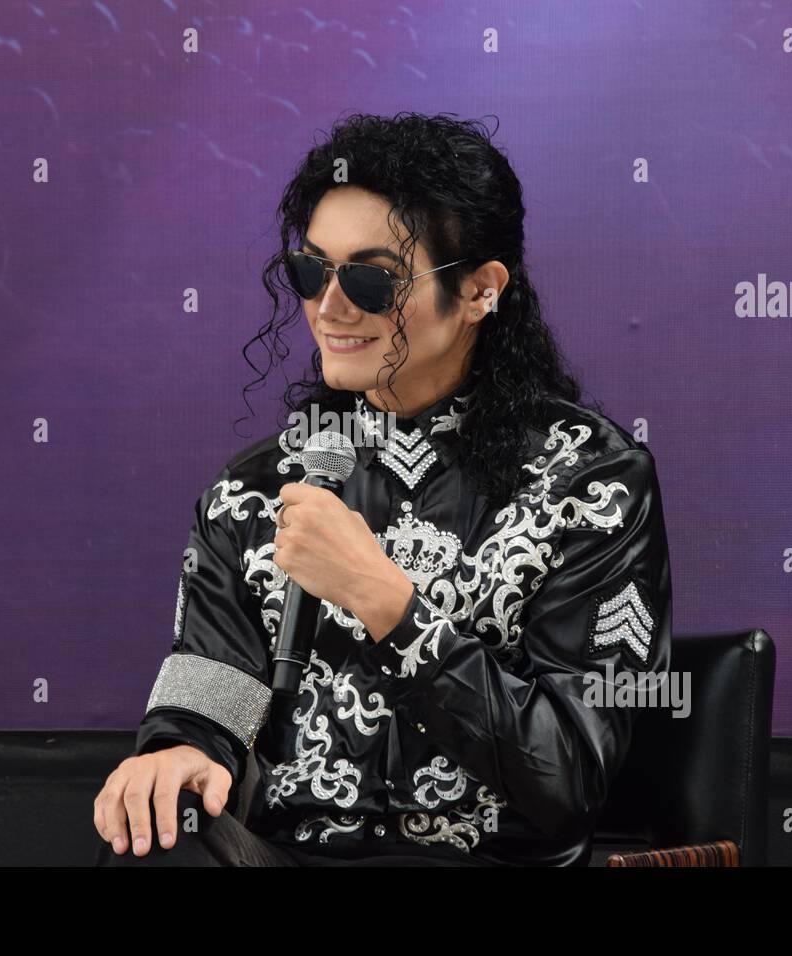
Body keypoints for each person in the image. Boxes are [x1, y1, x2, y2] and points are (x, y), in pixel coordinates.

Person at [93, 111, 672, 867]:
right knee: (153, 839)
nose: (330, 308)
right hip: (291, 856)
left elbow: (568, 773)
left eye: (370, 278)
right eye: (311, 271)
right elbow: (211, 691)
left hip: (483, 861)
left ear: (479, 291)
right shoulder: (253, 490)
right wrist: (179, 751)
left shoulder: (591, 481)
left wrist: (388, 604)